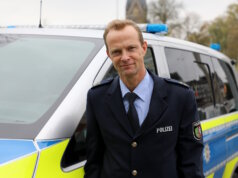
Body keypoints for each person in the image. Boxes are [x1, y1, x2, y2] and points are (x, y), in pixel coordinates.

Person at [84, 19, 204, 178]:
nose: (125, 57)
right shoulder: (96, 98)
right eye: (117, 52)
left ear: (144, 48)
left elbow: (191, 162)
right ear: (109, 55)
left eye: (131, 48)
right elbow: (94, 161)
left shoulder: (180, 97)